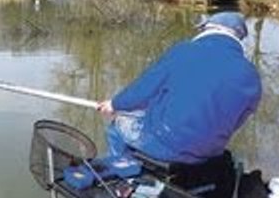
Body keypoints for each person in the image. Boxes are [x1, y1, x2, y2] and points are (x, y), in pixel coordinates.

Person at [96, 11, 262, 165]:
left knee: (118, 126)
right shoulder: (251, 75)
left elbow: (144, 89)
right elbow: (237, 121)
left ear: (209, 28)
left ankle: (123, 175)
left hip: (167, 143)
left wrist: (115, 104)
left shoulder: (186, 51)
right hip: (210, 153)